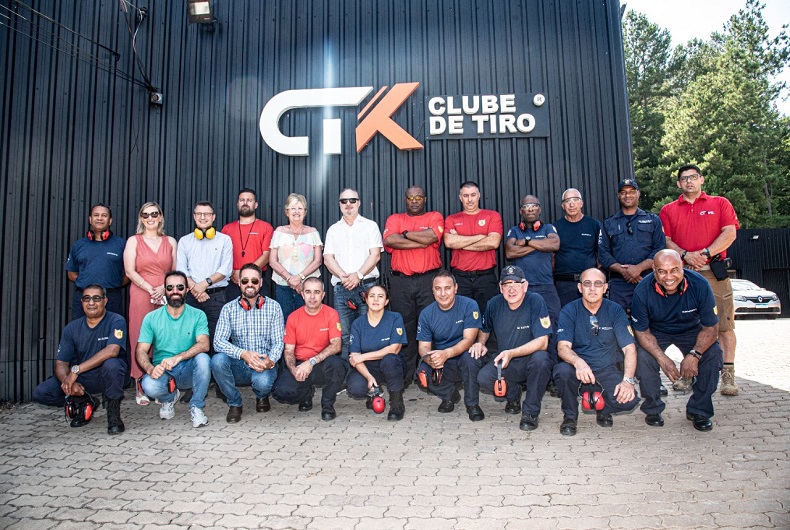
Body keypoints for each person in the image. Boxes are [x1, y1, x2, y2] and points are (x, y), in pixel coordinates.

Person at [660, 164, 740, 396]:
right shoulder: (668, 210)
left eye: (693, 177)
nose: (689, 182)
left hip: (713, 272)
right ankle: (689, 374)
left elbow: (730, 233)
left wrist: (705, 253)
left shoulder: (720, 203)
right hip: (682, 275)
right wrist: (685, 255)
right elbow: (666, 240)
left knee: (723, 325)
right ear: (678, 184)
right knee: (689, 327)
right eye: (684, 178)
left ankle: (728, 375)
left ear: (701, 179)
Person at [632, 250, 724, 432]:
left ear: (682, 267)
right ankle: (653, 408)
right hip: (657, 331)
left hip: (691, 330)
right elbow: (642, 332)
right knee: (643, 357)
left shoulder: (700, 284)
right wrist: (662, 359)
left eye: (674, 270)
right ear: (653, 269)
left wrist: (695, 355)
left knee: (713, 354)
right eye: (662, 271)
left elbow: (711, 329)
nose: (669, 277)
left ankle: (699, 410)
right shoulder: (642, 290)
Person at [553, 268, 640, 436]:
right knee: (562, 372)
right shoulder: (569, 311)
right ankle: (570, 416)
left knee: (629, 400)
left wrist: (628, 381)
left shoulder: (615, 310)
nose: (592, 288)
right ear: (580, 288)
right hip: (577, 371)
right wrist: (579, 362)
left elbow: (629, 348)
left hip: (606, 370)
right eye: (587, 284)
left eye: (598, 284)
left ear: (605, 288)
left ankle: (602, 408)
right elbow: (562, 347)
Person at [32, 285, 127, 435]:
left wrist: (76, 370)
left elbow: (112, 351)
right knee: (42, 393)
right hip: (82, 378)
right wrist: (68, 382)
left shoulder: (116, 320)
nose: (91, 303)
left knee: (112, 365)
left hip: (106, 375)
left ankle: (114, 415)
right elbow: (61, 362)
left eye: (96, 298)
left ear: (105, 301)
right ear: (81, 302)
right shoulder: (71, 328)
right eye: (86, 298)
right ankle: (85, 401)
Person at [473, 266, 553, 431]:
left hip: (530, 359)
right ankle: (513, 394)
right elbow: (485, 329)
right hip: (506, 361)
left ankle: (530, 412)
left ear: (525, 286)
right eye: (506, 284)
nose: (511, 289)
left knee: (542, 360)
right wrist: (480, 342)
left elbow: (543, 342)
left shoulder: (535, 301)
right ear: (500, 288)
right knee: (484, 378)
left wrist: (512, 353)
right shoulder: (494, 303)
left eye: (516, 284)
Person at [382, 185, 444, 385]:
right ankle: (406, 374)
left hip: (429, 280)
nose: (415, 201)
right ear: (405, 200)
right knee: (405, 327)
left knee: (430, 326)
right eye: (411, 198)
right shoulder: (395, 219)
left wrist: (406, 234)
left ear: (425, 199)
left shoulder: (434, 216)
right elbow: (390, 240)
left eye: (418, 197)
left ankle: (430, 372)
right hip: (401, 282)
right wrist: (421, 240)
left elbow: (433, 237)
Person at [136, 271, 212, 428]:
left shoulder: (198, 315)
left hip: (188, 368)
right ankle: (169, 398)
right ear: (164, 290)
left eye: (180, 287)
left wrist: (178, 357)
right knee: (148, 385)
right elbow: (141, 351)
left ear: (187, 290)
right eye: (170, 288)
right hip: (164, 371)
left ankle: (196, 407)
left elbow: (204, 344)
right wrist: (150, 369)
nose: (175, 291)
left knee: (204, 359)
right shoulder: (151, 318)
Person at [212, 264, 284, 423]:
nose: (249, 284)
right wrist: (243, 354)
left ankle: (262, 396)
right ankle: (235, 403)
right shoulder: (228, 309)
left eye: (254, 281)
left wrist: (270, 361)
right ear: (239, 283)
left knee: (263, 383)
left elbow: (278, 342)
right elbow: (218, 341)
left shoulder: (274, 307)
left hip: (264, 363)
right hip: (239, 362)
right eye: (245, 281)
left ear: (260, 283)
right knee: (217, 361)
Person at [123, 201, 177, 406]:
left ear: (160, 217)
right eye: (146, 215)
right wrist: (150, 288)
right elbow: (130, 271)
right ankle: (140, 383)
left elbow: (175, 270)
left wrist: (163, 288)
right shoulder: (134, 241)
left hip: (165, 292)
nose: (150, 218)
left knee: (164, 336)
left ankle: (160, 383)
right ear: (141, 218)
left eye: (154, 214)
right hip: (141, 291)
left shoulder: (170, 241)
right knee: (140, 334)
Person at [272, 277, 346, 421]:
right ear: (302, 294)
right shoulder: (293, 317)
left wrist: (311, 362)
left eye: (317, 292)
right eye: (308, 292)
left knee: (338, 365)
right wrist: (294, 370)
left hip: (322, 363)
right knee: (280, 392)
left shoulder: (331, 314)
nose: (312, 297)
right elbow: (288, 351)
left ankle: (327, 404)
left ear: (323, 295)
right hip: (300, 364)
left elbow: (336, 345)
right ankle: (306, 395)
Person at [323, 188, 383, 359]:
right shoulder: (333, 230)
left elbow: (375, 255)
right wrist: (344, 276)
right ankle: (346, 372)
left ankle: (368, 371)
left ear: (359, 202)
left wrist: (358, 275)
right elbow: (328, 258)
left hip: (367, 287)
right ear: (339, 204)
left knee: (368, 332)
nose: (348, 204)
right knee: (344, 334)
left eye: (352, 200)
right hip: (342, 288)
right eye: (344, 201)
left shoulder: (370, 226)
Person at [416, 270, 482, 421]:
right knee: (422, 373)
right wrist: (431, 359)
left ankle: (472, 404)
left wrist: (446, 354)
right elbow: (423, 347)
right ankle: (449, 395)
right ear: (432, 291)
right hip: (443, 360)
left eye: (447, 288)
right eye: (438, 288)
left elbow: (469, 340)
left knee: (471, 358)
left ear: (455, 288)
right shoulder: (426, 314)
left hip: (463, 355)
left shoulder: (469, 305)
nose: (443, 293)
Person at [598, 179, 665, 312]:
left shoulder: (653, 220)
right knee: (618, 320)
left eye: (631, 191)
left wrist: (639, 268)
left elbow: (660, 249)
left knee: (650, 318)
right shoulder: (609, 223)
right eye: (623, 192)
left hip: (647, 280)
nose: (627, 195)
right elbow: (603, 253)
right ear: (618, 195)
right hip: (619, 283)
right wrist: (625, 271)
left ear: (638, 194)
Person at [176, 201, 233, 354]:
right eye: (199, 214)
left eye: (207, 214)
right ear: (194, 217)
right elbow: (181, 270)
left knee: (217, 340)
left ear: (213, 217)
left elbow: (226, 269)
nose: (203, 217)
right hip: (191, 296)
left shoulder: (224, 240)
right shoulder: (184, 241)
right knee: (190, 338)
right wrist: (196, 289)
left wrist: (204, 284)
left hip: (216, 297)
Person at [346, 285, 407, 421]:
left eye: (380, 296)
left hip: (391, 365)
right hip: (368, 367)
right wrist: (368, 377)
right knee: (355, 387)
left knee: (390, 359)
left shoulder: (395, 318)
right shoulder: (357, 324)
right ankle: (373, 393)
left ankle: (397, 403)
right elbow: (354, 357)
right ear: (366, 300)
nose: (375, 299)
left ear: (386, 301)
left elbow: (394, 349)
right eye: (372, 296)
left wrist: (363, 356)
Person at [443, 181, 503, 315]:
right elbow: (449, 243)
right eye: (465, 196)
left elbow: (493, 243)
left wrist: (460, 242)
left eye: (473, 195)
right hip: (460, 278)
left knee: (488, 317)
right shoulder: (452, 219)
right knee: (461, 317)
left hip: (485, 277)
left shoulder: (492, 216)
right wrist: (481, 237)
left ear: (479, 195)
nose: (469, 199)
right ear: (460, 198)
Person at [504, 194, 562, 327]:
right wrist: (541, 245)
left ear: (539, 210)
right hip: (522, 287)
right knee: (523, 323)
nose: (530, 209)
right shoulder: (514, 230)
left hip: (546, 285)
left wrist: (527, 241)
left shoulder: (548, 228)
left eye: (534, 206)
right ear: (521, 211)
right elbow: (510, 252)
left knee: (553, 320)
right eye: (526, 206)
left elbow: (555, 245)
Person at [65, 203, 127, 319]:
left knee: (114, 329)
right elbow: (71, 273)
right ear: (90, 219)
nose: (99, 218)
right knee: (80, 330)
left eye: (104, 215)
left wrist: (115, 284)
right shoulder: (78, 245)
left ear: (110, 221)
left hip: (112, 298)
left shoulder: (121, 244)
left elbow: (130, 272)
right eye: (96, 215)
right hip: (84, 297)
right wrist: (85, 282)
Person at [268, 193, 323, 320]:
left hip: (308, 287)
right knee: (285, 322)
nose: (296, 212)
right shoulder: (279, 232)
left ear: (305, 212)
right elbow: (272, 261)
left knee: (308, 321)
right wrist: (289, 278)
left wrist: (299, 278)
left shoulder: (313, 232)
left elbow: (318, 260)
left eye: (300, 208)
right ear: (287, 212)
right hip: (283, 286)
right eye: (293, 208)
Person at [221, 188, 274, 300]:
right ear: (237, 204)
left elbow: (266, 256)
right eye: (242, 200)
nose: (245, 203)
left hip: (256, 280)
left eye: (249, 200)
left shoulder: (266, 227)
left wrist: (244, 274)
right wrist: (232, 273)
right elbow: (221, 256)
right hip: (232, 281)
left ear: (256, 205)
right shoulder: (227, 229)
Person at [553, 189, 601, 307]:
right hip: (564, 285)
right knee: (566, 315)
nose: (571, 204)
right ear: (563, 206)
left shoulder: (594, 225)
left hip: (589, 284)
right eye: (567, 201)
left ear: (581, 203)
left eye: (575, 200)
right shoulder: (555, 228)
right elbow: (552, 257)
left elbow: (600, 255)